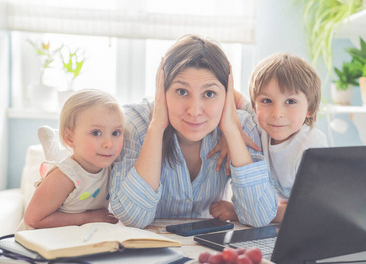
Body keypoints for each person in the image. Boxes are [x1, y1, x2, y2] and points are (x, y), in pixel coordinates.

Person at [109, 35, 277, 228]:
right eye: (182, 92)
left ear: (227, 95)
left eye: (209, 94)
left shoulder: (241, 126)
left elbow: (260, 217)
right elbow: (132, 218)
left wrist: (231, 131)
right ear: (162, 90)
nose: (195, 111)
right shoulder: (136, 124)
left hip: (206, 252)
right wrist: (156, 128)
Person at [209, 52, 328, 223]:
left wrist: (238, 213)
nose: (277, 113)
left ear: (309, 108)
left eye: (290, 102)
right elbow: (225, 90)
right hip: (279, 219)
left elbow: (309, 211)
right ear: (255, 106)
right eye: (266, 101)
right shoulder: (259, 119)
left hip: (308, 223)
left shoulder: (311, 147)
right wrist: (232, 131)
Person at [20, 89, 123, 230]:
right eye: (96, 133)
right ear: (70, 138)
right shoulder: (64, 176)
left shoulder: (113, 168)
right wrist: (87, 218)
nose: (109, 143)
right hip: (35, 246)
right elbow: (32, 220)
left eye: (116, 133)